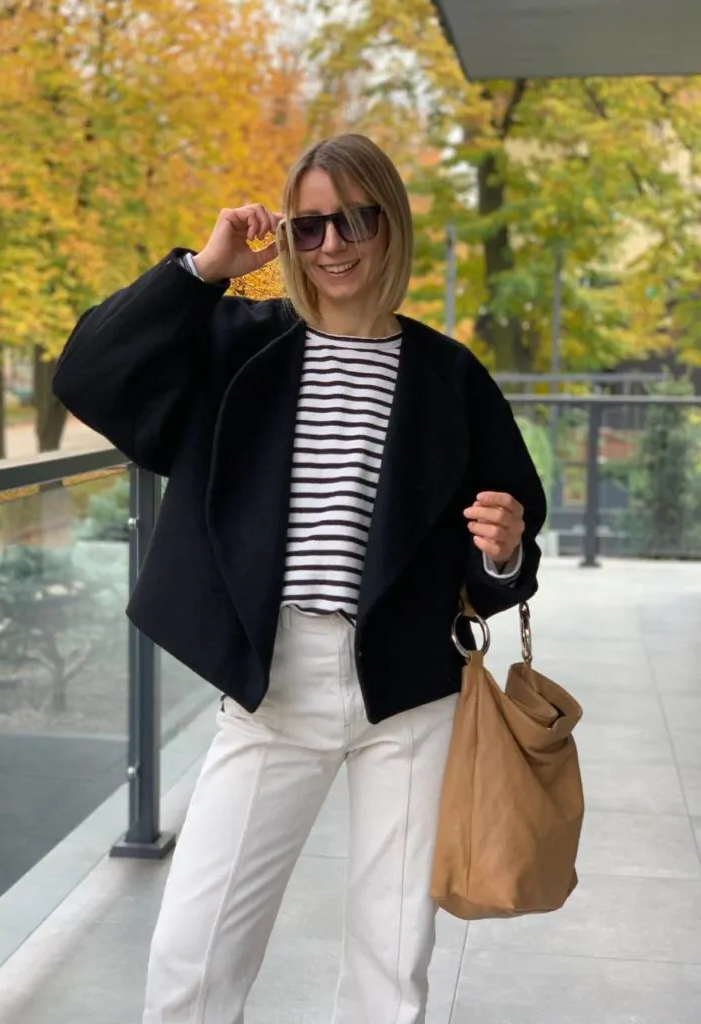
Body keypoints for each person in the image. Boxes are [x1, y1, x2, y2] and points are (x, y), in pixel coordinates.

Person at [53, 132, 546, 1024]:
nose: (332, 245)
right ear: (286, 235)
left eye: (355, 220)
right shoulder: (240, 346)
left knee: (393, 964)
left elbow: (510, 543)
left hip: (410, 694)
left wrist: (502, 552)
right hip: (271, 687)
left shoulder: (449, 375)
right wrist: (204, 271)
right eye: (309, 226)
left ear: (390, 225)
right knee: (193, 956)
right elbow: (88, 375)